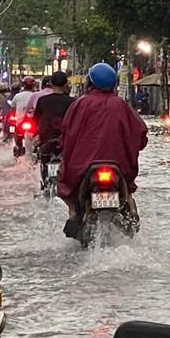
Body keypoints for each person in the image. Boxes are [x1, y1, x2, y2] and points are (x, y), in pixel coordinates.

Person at [58, 63, 147, 238]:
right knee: (128, 192)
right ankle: (133, 215)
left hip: (82, 166)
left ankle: (74, 214)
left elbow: (67, 135)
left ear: (90, 82)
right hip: (119, 165)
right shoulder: (122, 105)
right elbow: (141, 135)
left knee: (67, 186)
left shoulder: (80, 105)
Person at [33, 71, 76, 156]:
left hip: (45, 139)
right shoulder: (73, 102)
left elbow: (36, 119)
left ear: (51, 84)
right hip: (66, 141)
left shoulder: (42, 100)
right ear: (66, 84)